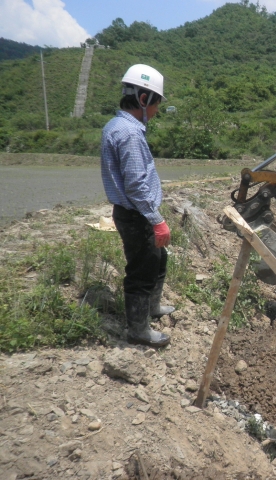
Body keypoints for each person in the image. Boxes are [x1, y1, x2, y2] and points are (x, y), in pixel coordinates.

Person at [101, 64, 174, 348]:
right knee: (142, 270)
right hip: (136, 215)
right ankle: (138, 330)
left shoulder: (118, 126)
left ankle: (151, 308)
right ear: (143, 99)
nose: (156, 110)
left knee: (158, 260)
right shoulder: (130, 134)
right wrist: (156, 219)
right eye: (156, 103)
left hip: (134, 213)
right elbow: (135, 185)